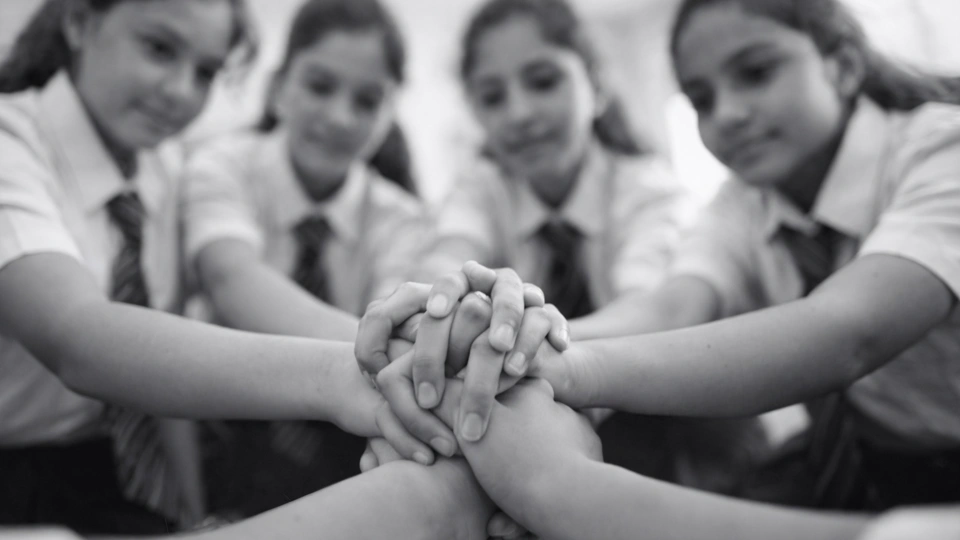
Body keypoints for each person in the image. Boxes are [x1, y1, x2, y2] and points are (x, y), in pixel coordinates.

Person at [365, 0, 960, 511]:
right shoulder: (745, 200)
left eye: (755, 72)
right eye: (700, 97)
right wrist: (440, 324)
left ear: (844, 63)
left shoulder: (941, 146)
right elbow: (676, 302)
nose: (728, 112)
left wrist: (535, 357)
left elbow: (848, 332)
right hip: (866, 457)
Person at [0, 0, 561, 532]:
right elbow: (79, 336)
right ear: (77, 20)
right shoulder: (24, 145)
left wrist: (446, 344)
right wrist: (365, 368)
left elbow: (157, 361)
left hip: (129, 466)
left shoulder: (159, 166)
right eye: (157, 48)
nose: (179, 92)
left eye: (205, 71)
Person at [181, 0, 430, 515]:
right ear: (277, 88)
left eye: (368, 100)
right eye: (320, 86)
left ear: (391, 112)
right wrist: (374, 345)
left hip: (345, 455)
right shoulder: (221, 165)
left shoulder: (403, 218)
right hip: (220, 431)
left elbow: (399, 327)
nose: (340, 117)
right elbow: (230, 276)